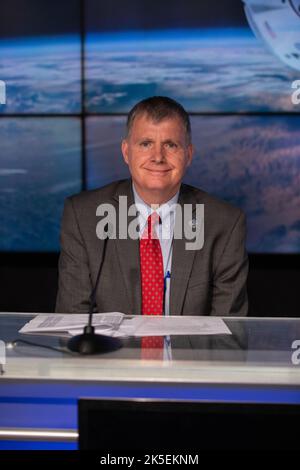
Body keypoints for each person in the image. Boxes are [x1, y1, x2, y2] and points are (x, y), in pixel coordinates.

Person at [55, 96, 248, 316]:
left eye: (171, 145)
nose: (158, 157)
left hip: (192, 352)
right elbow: (72, 325)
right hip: (109, 352)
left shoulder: (225, 223)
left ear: (189, 155)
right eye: (146, 144)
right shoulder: (83, 216)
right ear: (127, 152)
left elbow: (227, 334)